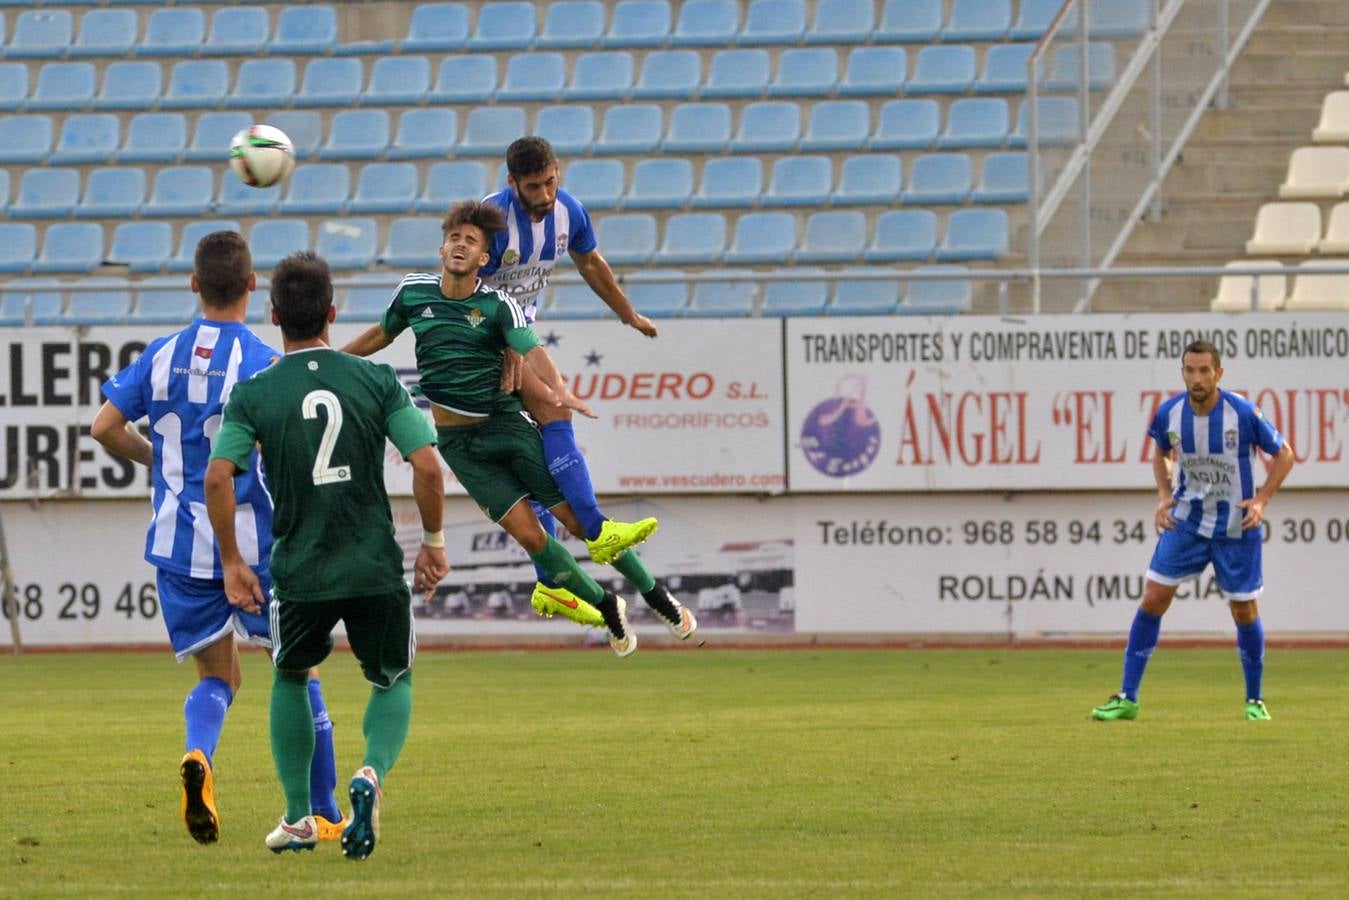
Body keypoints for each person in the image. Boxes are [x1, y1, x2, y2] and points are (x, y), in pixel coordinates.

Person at [342, 200, 687, 656]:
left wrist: (558, 387)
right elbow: (381, 334)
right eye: (455, 238)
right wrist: (332, 360)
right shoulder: (413, 294)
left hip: (505, 426)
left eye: (472, 241)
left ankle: (653, 592)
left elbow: (533, 347)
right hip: (460, 447)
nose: (461, 245)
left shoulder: (498, 305)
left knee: (579, 522)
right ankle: (607, 607)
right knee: (532, 538)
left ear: (485, 259)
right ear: (442, 247)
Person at [91, 231, 345, 846]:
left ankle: (200, 757)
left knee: (218, 679)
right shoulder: (262, 362)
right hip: (256, 550)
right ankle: (327, 810)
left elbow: (104, 427)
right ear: (254, 286)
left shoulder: (159, 354)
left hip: (180, 550)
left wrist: (163, 462)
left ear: (194, 284)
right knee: (299, 673)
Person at [205, 251, 449, 859]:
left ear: (274, 314)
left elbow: (217, 476)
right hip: (373, 563)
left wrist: (234, 561)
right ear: (333, 313)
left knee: (289, 674)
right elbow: (427, 466)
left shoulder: (255, 392)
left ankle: (296, 818)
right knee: (393, 678)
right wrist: (434, 543)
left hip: (300, 570)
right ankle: (369, 775)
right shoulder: (377, 380)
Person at [480, 136, 695, 640]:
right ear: (512, 183)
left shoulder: (568, 212)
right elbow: (471, 297)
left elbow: (591, 264)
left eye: (552, 180)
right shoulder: (491, 222)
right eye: (534, 186)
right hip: (482, 347)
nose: (547, 192)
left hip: (517, 341)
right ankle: (612, 554)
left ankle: (643, 591)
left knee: (558, 497)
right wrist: (509, 348)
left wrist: (627, 314)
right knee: (556, 410)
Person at [1091, 340, 1295, 722]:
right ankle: (1127, 697)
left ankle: (1254, 701)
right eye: (1190, 370)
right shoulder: (1170, 413)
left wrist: (1262, 499)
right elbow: (1161, 452)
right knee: (1153, 597)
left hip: (1235, 523)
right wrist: (1164, 495)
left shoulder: (1243, 413)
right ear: (1182, 372)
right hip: (1187, 521)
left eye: (1204, 370)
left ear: (1219, 373)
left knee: (1244, 610)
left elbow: (1284, 454)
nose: (1197, 378)